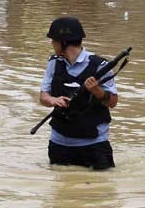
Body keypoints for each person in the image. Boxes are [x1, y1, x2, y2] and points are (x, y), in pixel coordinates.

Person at [39, 17, 118, 170]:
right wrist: (53, 100)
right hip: (59, 144)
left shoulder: (101, 66)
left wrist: (96, 90)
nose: (52, 44)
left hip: (94, 145)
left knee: (101, 191)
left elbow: (113, 102)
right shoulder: (54, 62)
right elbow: (43, 96)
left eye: (53, 40)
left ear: (63, 42)